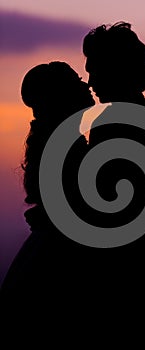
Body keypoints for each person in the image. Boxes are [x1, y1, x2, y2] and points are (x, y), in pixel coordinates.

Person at [82, 21, 145, 310]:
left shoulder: (117, 122)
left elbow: (104, 201)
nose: (90, 82)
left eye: (95, 71)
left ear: (116, 69)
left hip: (128, 266)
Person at [0, 61, 97, 334]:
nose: (86, 85)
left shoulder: (62, 141)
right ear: (61, 96)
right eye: (76, 81)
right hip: (58, 264)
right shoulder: (66, 146)